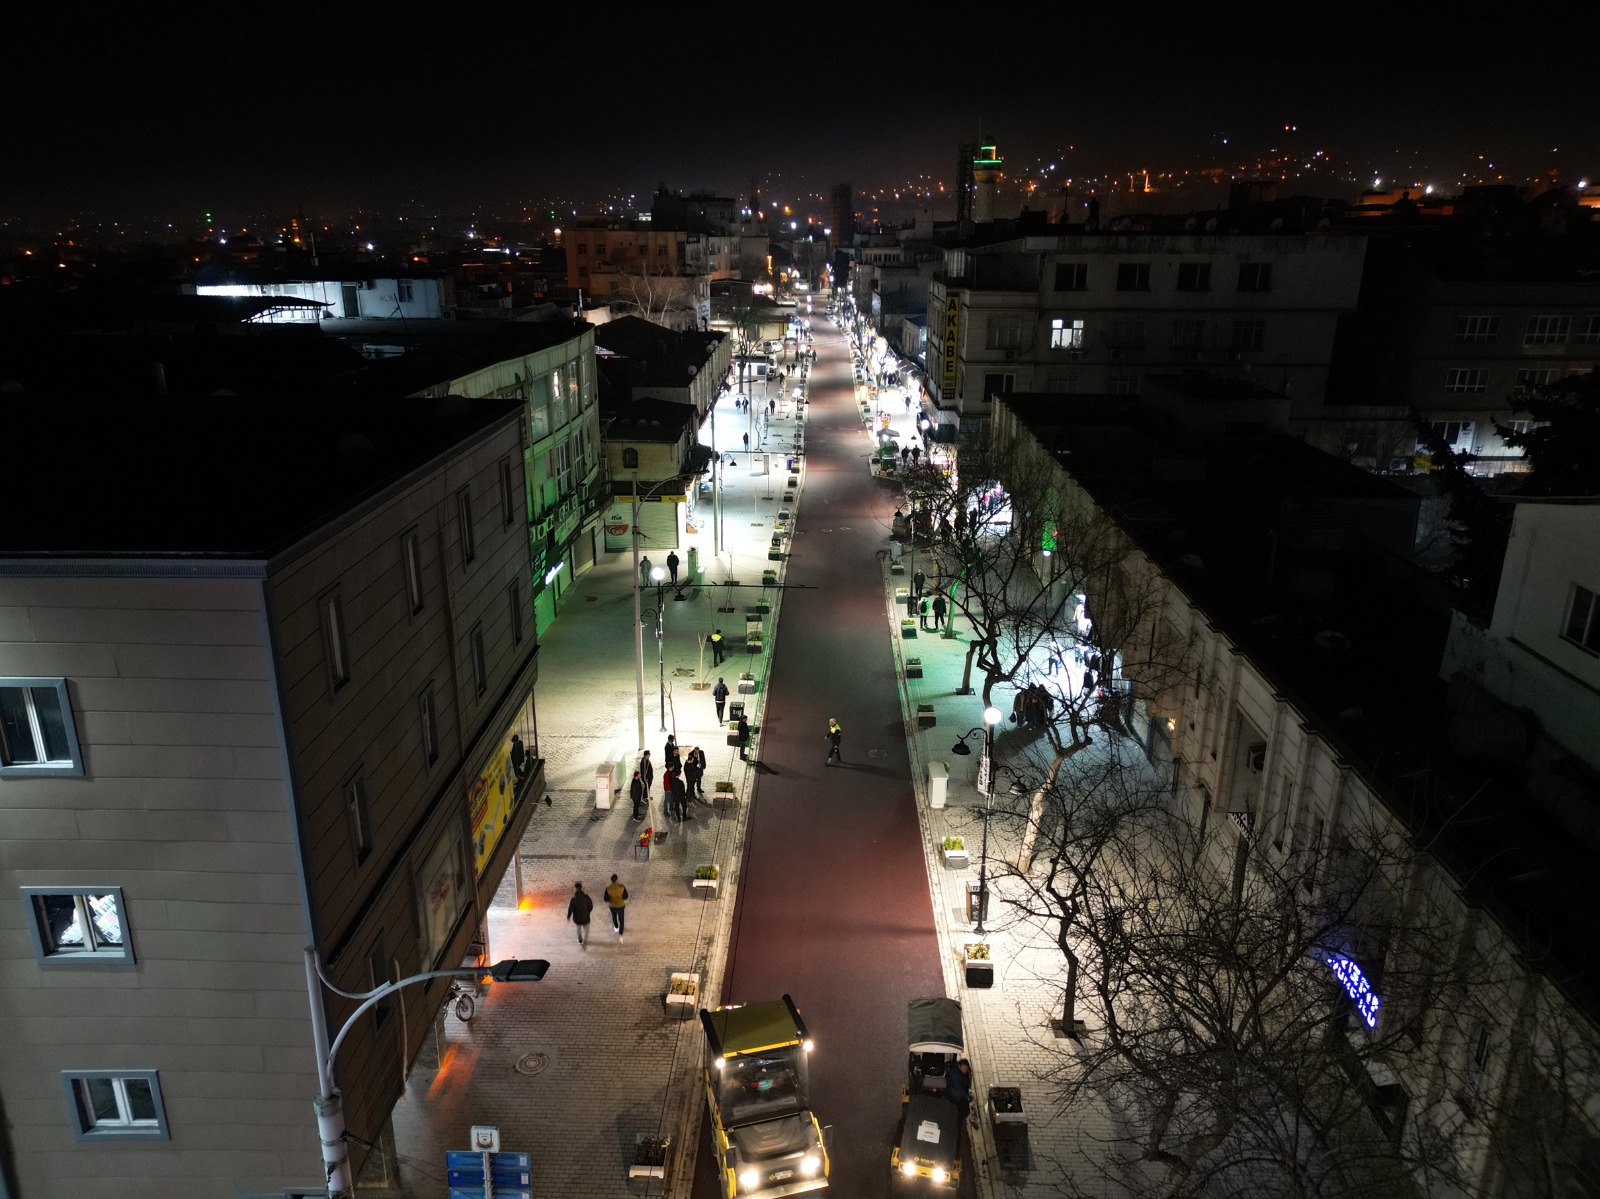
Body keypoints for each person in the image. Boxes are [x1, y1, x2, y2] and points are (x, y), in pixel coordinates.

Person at [567, 882, 593, 947]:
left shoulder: (573, 899)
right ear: (581, 888)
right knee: (586, 930)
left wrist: (569, 916)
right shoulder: (586, 897)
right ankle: (585, 941)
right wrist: (588, 912)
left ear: (575, 889)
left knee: (578, 929)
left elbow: (570, 908)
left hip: (577, 918)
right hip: (586, 917)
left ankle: (580, 940)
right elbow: (591, 906)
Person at [604, 874, 629, 939]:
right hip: (620, 905)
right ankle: (621, 934)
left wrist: (611, 899)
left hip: (612, 905)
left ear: (611, 880)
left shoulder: (608, 888)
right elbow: (626, 896)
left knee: (614, 916)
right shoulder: (622, 887)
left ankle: (616, 927)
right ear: (617, 880)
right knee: (621, 919)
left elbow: (605, 899)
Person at [949, 1059, 973, 1124]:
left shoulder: (960, 1072)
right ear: (960, 1066)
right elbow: (958, 1089)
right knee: (964, 1111)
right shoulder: (956, 1076)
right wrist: (967, 1097)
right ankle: (958, 1122)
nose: (965, 1070)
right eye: (964, 1068)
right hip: (957, 1097)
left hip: (960, 1094)